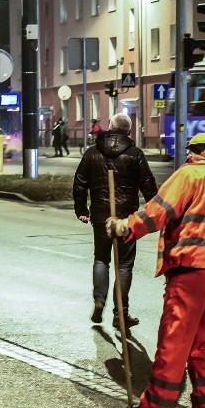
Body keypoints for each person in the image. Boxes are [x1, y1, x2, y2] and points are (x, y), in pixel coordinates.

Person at [106, 133, 205, 408]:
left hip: (193, 266)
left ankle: (157, 406)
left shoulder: (190, 175)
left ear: (191, 154)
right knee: (203, 343)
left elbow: (158, 211)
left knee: (175, 337)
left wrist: (124, 227)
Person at [73, 113, 157, 328]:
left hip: (101, 216)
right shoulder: (135, 154)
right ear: (129, 131)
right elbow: (148, 184)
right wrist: (153, 210)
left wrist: (82, 209)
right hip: (127, 218)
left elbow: (79, 183)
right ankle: (121, 313)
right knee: (125, 265)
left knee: (101, 259)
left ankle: (99, 300)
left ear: (109, 127)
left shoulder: (92, 152)